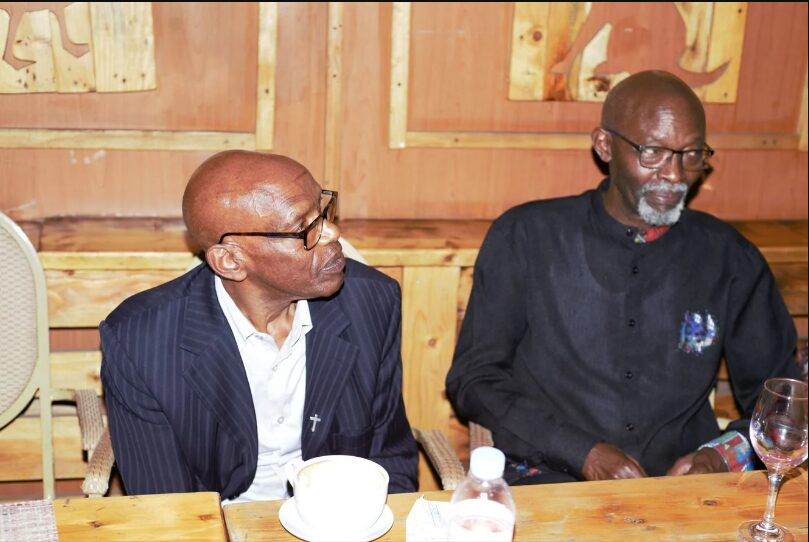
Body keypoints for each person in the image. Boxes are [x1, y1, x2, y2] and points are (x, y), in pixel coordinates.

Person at [446, 70, 801, 485]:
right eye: (653, 152)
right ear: (604, 145)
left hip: (684, 488)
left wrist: (721, 457)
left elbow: (786, 401)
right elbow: (475, 379)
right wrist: (582, 452)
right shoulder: (526, 237)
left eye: (690, 154)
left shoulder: (730, 258)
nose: (675, 174)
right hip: (551, 476)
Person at [100, 150, 418, 501]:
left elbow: (389, 461)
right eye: (303, 228)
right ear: (230, 261)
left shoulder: (372, 302)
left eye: (323, 210)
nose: (332, 232)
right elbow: (167, 507)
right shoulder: (141, 342)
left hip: (338, 518)